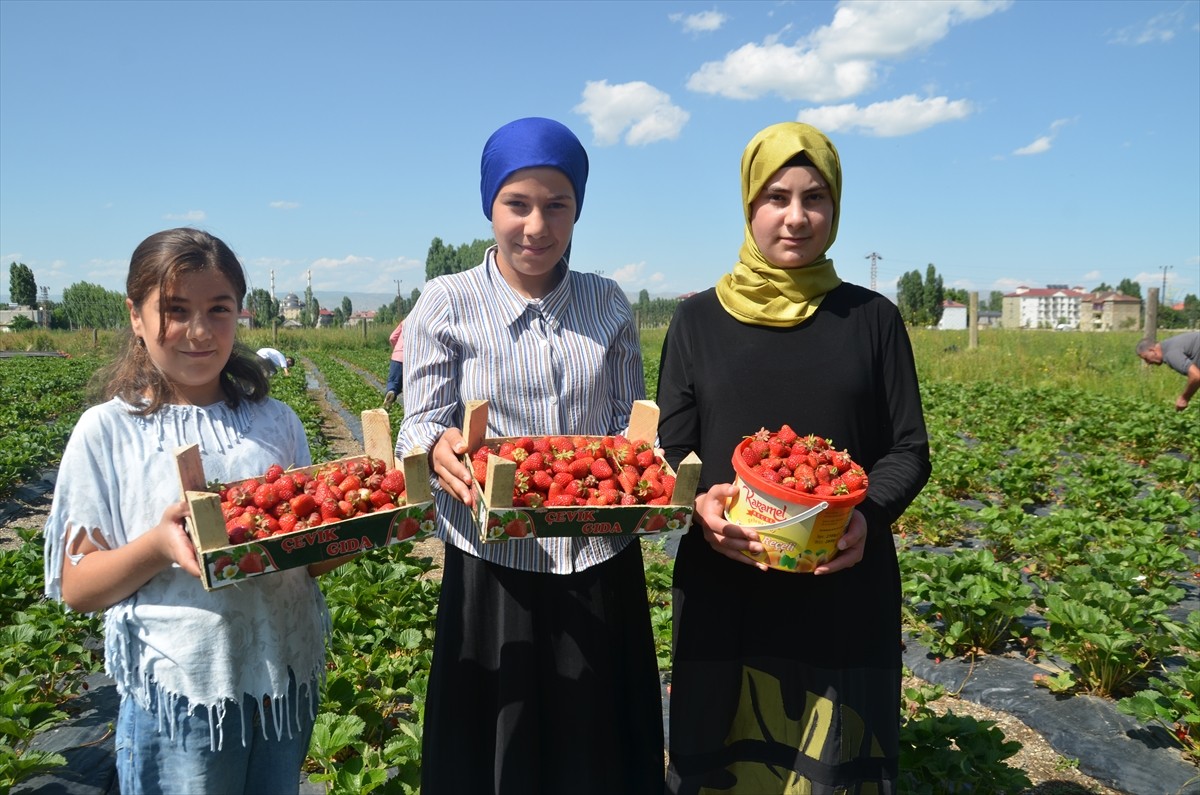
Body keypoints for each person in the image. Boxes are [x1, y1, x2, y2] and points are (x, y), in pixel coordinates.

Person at [655, 122, 932, 793]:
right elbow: (672, 445)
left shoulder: (871, 319)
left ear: (835, 208)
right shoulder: (699, 322)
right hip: (729, 580)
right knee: (724, 755)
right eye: (777, 196)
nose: (797, 216)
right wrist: (700, 504)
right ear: (750, 204)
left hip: (840, 584)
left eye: (816, 198)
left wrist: (864, 512)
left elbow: (908, 448)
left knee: (829, 767)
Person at [394, 117, 663, 794]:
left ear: (578, 210)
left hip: (598, 556)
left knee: (595, 746)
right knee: (499, 747)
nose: (536, 226)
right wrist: (437, 443)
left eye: (557, 205)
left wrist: (648, 466)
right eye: (518, 204)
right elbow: (419, 421)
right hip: (496, 564)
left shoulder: (607, 303)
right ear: (490, 204)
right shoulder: (446, 302)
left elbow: (625, 427)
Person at [43, 228, 334, 794]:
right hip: (180, 692)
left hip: (281, 680)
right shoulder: (108, 432)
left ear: (239, 314)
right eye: (175, 311)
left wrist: (353, 531)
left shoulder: (276, 423)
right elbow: (78, 586)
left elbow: (300, 557)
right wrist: (156, 546)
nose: (199, 332)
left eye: (218, 310)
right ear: (135, 315)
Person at [1136, 332, 1200, 411]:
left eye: (1146, 358)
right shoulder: (1169, 346)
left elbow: (1196, 376)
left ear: (1152, 350)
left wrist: (1184, 398)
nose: (1148, 363)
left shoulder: (1170, 354)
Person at [383, 319, 403, 408]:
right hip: (411, 358)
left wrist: (397, 349)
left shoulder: (405, 322)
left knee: (393, 382)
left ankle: (391, 392)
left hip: (396, 356)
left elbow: (392, 337)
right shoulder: (425, 321)